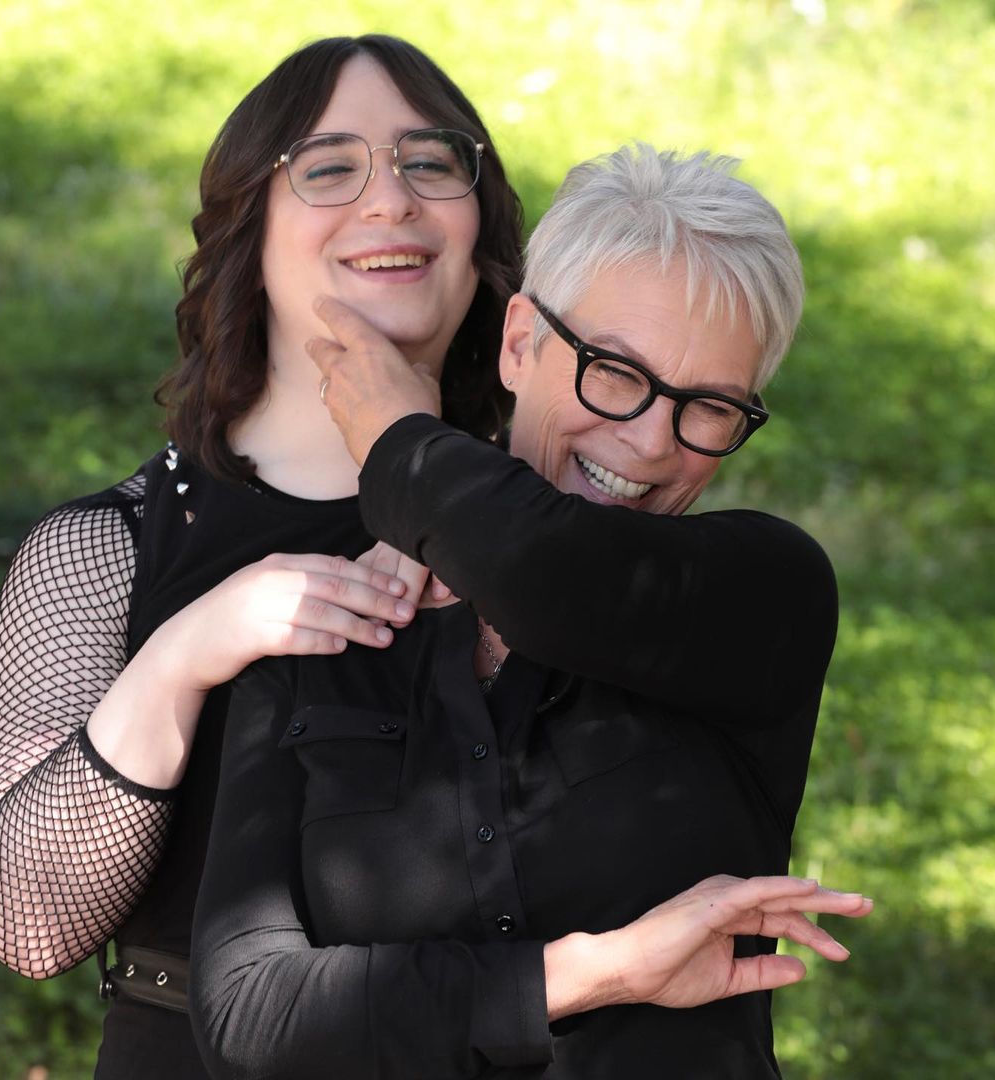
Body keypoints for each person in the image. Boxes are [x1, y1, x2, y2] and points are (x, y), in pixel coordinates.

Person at [189, 147, 868, 1078]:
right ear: (518, 343)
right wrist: (590, 974)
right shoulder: (327, 620)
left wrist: (400, 443)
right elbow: (251, 1010)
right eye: (614, 372)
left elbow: (549, 577)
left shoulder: (762, 595)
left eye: (709, 407)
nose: (649, 440)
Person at [0, 34, 524, 1078]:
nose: (391, 199)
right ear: (248, 233)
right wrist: (188, 651)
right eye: (328, 167)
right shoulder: (106, 552)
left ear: (479, 227)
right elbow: (31, 926)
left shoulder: (542, 535)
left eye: (430, 161)